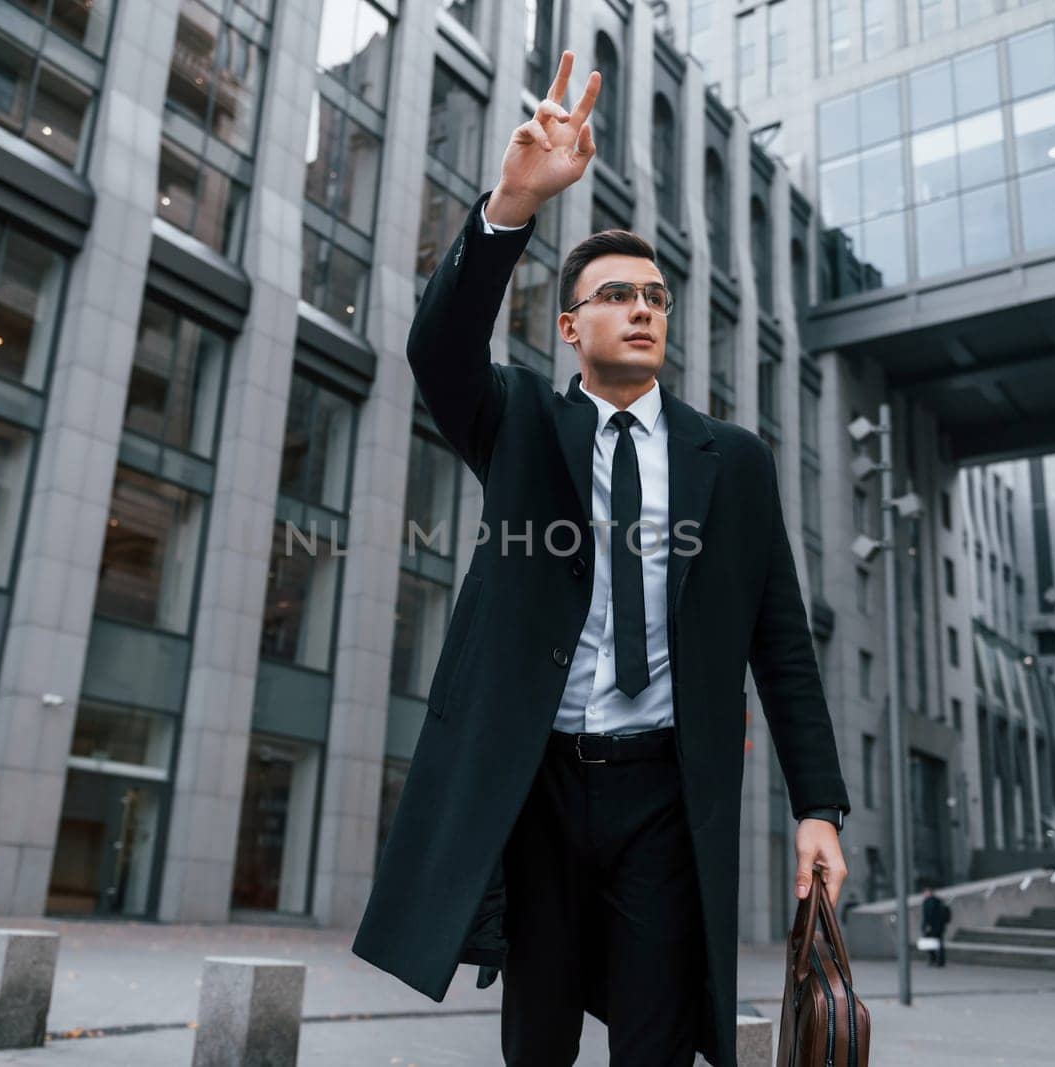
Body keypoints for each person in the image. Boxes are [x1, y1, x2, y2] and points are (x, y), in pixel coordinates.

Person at [351, 50, 851, 1067]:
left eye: (655, 298)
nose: (641, 309)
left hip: (664, 792)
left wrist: (817, 808)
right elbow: (436, 352)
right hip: (536, 786)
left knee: (657, 1039)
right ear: (571, 327)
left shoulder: (736, 463)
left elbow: (782, 649)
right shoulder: (522, 422)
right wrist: (510, 205)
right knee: (536, 1040)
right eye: (616, 294)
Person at [921, 886, 951, 968]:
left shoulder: (930, 902)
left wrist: (927, 926)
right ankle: (938, 960)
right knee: (937, 943)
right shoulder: (938, 901)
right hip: (939, 927)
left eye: (925, 892)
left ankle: (934, 959)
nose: (924, 894)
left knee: (931, 943)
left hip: (932, 927)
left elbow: (929, 915)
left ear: (929, 892)